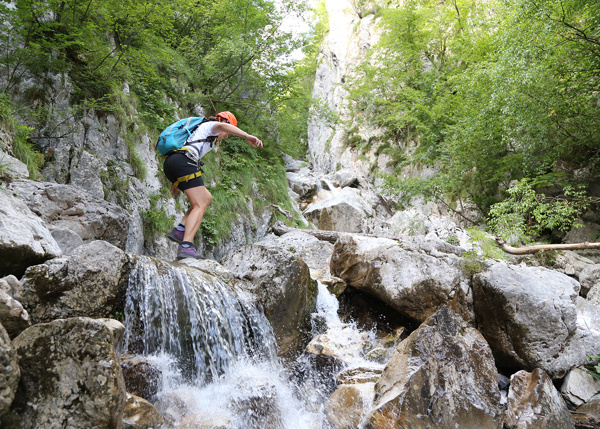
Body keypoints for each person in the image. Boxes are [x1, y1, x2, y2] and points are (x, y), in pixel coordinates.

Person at [163, 111, 263, 259]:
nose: (227, 135)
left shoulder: (204, 135)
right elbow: (222, 126)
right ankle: (186, 246)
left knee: (206, 197)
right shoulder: (211, 126)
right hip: (184, 161)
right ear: (226, 122)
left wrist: (175, 182)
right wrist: (247, 136)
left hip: (173, 163)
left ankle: (180, 230)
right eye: (229, 130)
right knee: (199, 204)